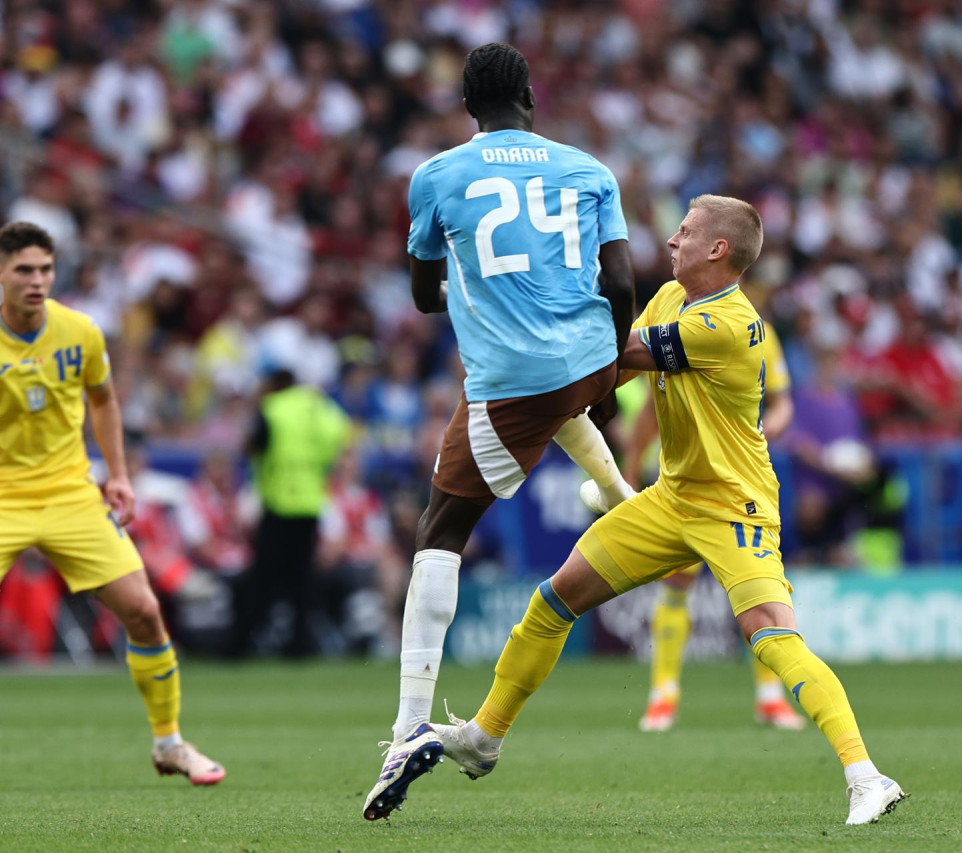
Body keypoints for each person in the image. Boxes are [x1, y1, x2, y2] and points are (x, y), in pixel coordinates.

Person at [430, 196, 906, 827]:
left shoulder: (731, 325)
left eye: (685, 232)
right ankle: (485, 737)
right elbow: (608, 381)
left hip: (735, 505)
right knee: (555, 598)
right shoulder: (666, 299)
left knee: (769, 633)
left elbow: (616, 356)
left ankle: (867, 777)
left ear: (719, 250)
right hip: (672, 495)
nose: (672, 239)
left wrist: (523, 317)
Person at [362, 43, 637, 820]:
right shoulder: (589, 169)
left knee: (438, 531)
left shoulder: (437, 175)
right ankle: (618, 492)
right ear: (529, 95)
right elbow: (620, 282)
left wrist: (471, 273)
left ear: (466, 103)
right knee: (560, 389)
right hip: (587, 356)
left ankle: (408, 723)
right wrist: (612, 373)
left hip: (511, 380)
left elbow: (422, 296)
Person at [0, 221, 225, 785]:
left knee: (145, 612)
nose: (36, 280)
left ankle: (170, 743)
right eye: (23, 270)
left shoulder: (80, 332)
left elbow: (102, 399)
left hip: (69, 493)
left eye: (44, 269)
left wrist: (118, 474)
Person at [608, 314, 804, 732]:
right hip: (688, 487)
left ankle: (770, 698)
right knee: (677, 586)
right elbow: (650, 410)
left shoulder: (761, 332)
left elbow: (783, 401)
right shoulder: (685, 328)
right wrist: (630, 467)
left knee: (759, 592)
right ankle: (663, 694)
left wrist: (763, 432)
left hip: (741, 490)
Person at [230, 368, 351, 657]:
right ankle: (300, 645)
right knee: (302, 580)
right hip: (310, 502)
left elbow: (253, 445)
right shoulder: (319, 406)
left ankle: (240, 644)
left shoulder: (273, 408)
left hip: (279, 501)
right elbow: (341, 433)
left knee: (264, 577)